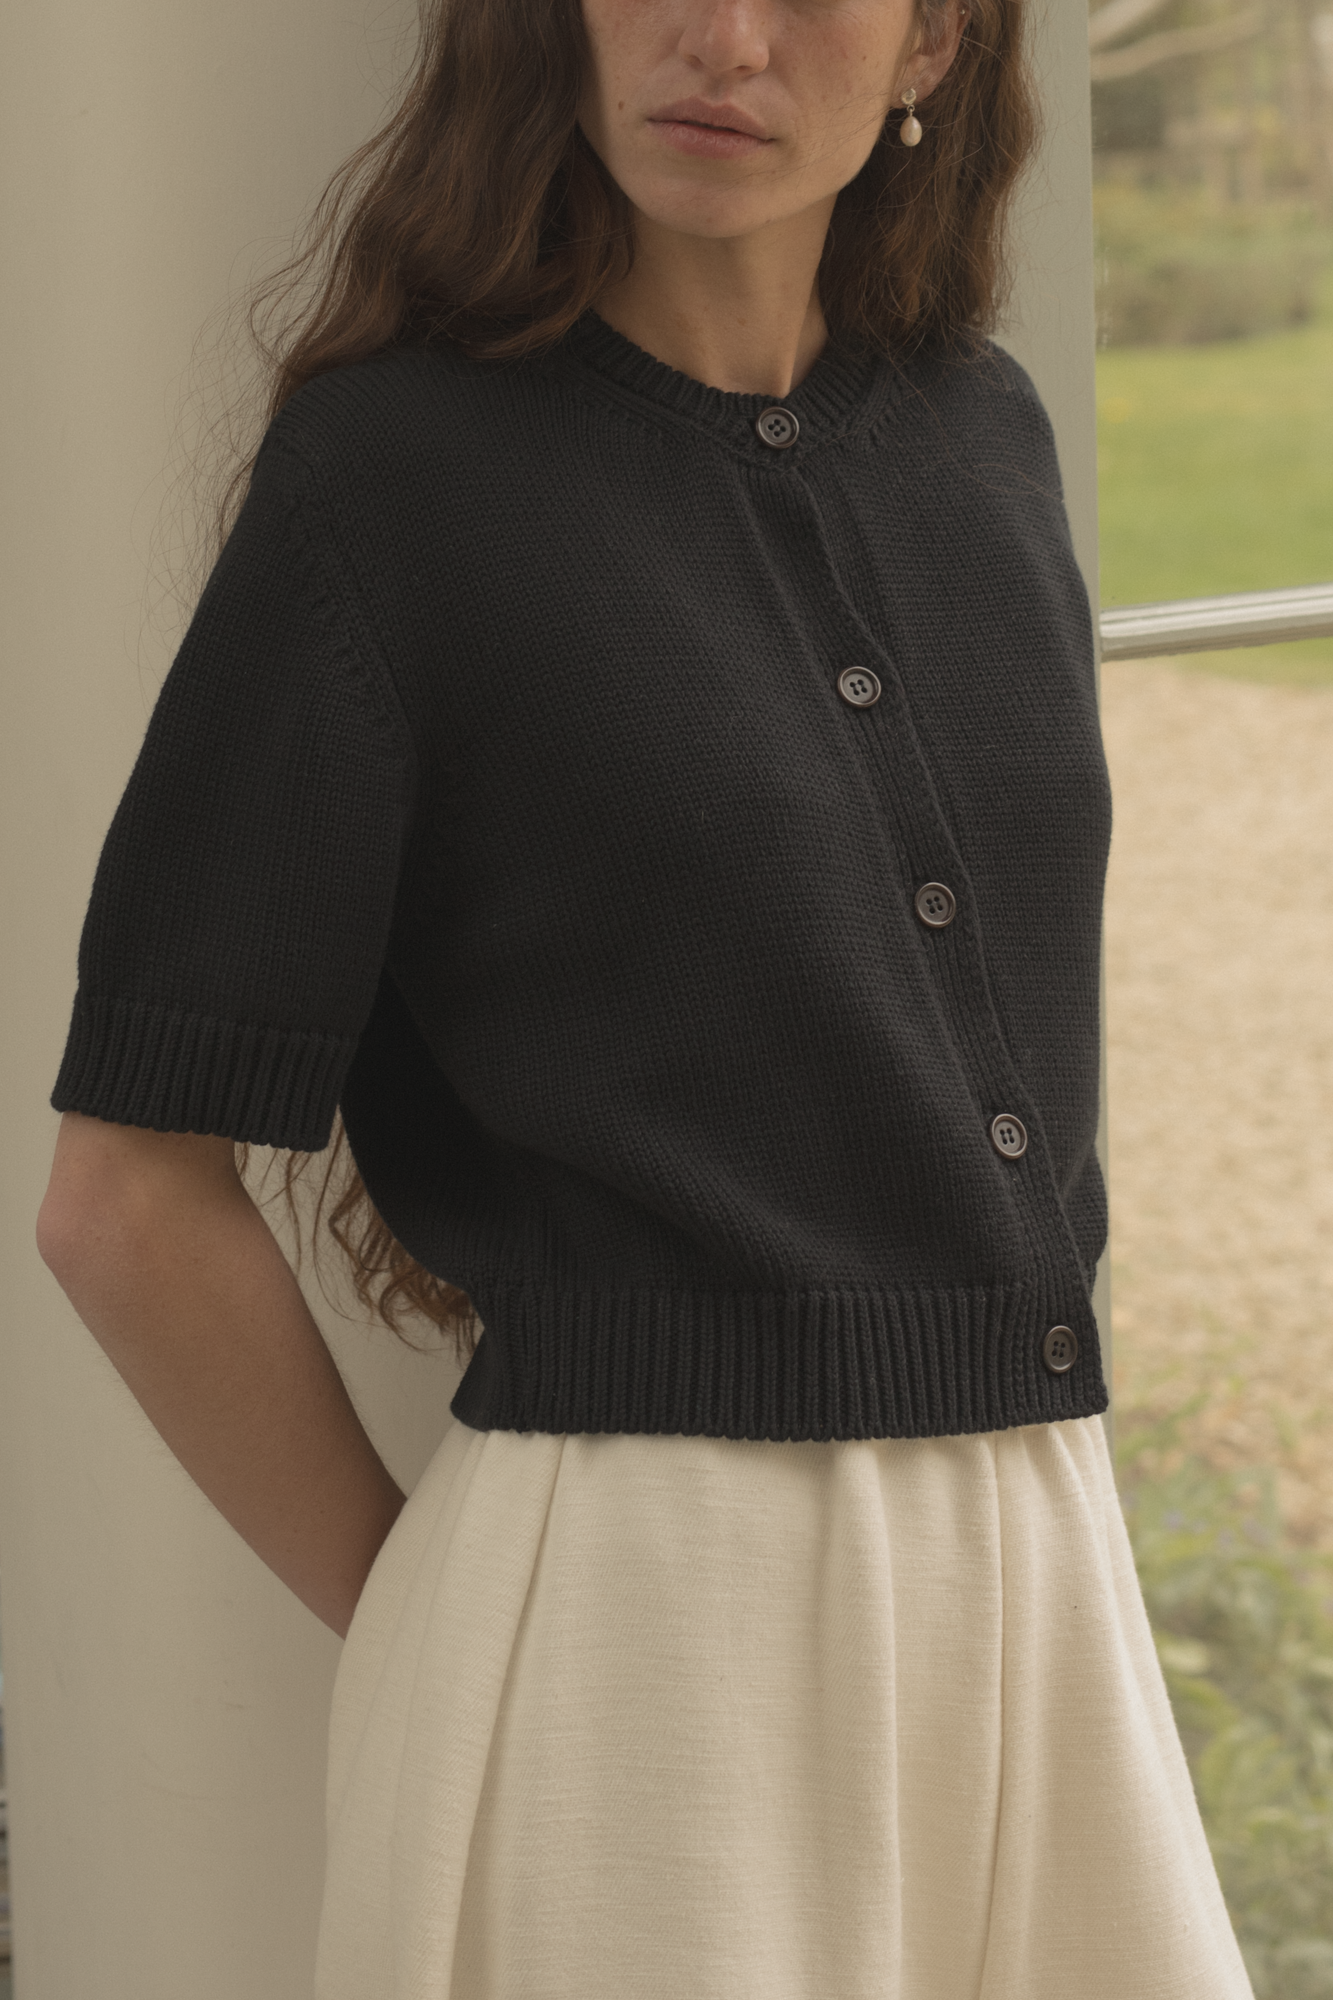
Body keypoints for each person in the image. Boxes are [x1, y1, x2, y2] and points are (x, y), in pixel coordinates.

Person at [36, 0, 1255, 1993]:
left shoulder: (988, 440)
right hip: (648, 1638)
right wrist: (426, 1612)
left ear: (935, 42)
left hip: (1036, 1563)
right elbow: (123, 1198)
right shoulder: (397, 481)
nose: (725, 38)